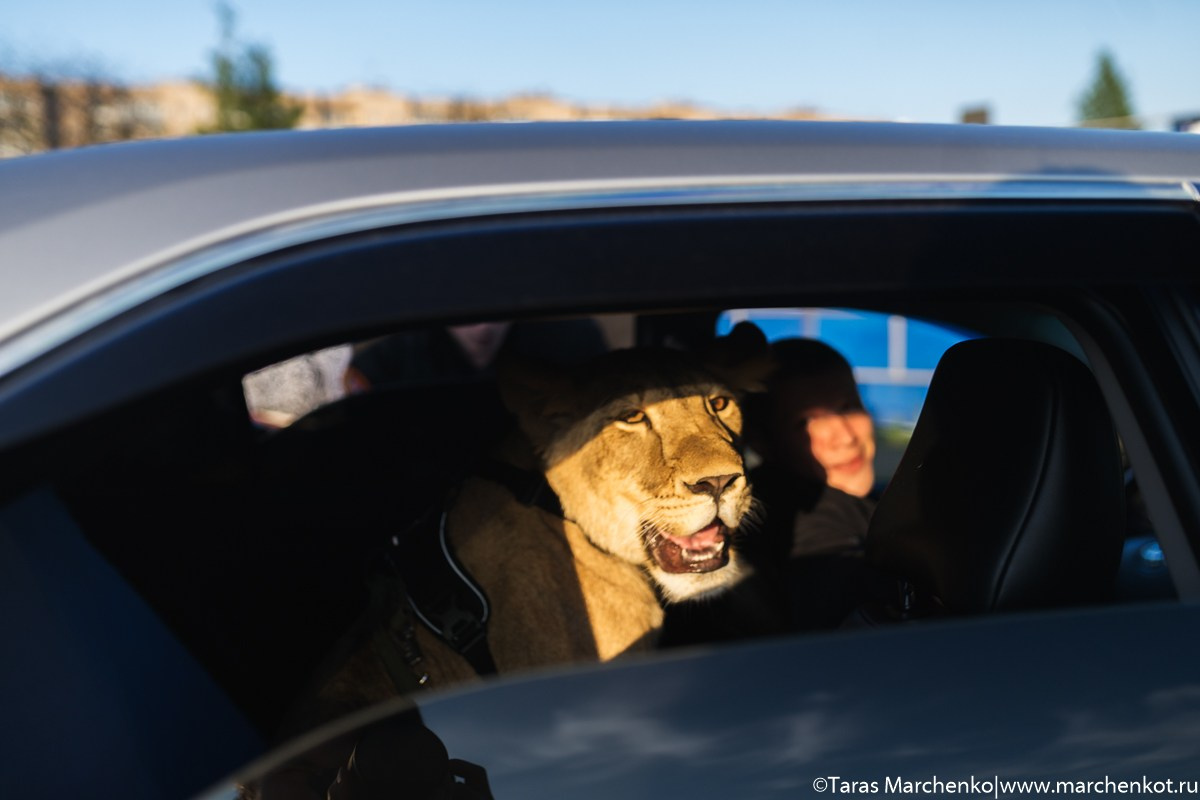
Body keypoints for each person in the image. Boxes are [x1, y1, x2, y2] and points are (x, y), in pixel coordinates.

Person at [744, 337, 882, 630]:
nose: (845, 436)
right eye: (806, 421)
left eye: (848, 407)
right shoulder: (807, 519)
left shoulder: (856, 504)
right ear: (764, 443)